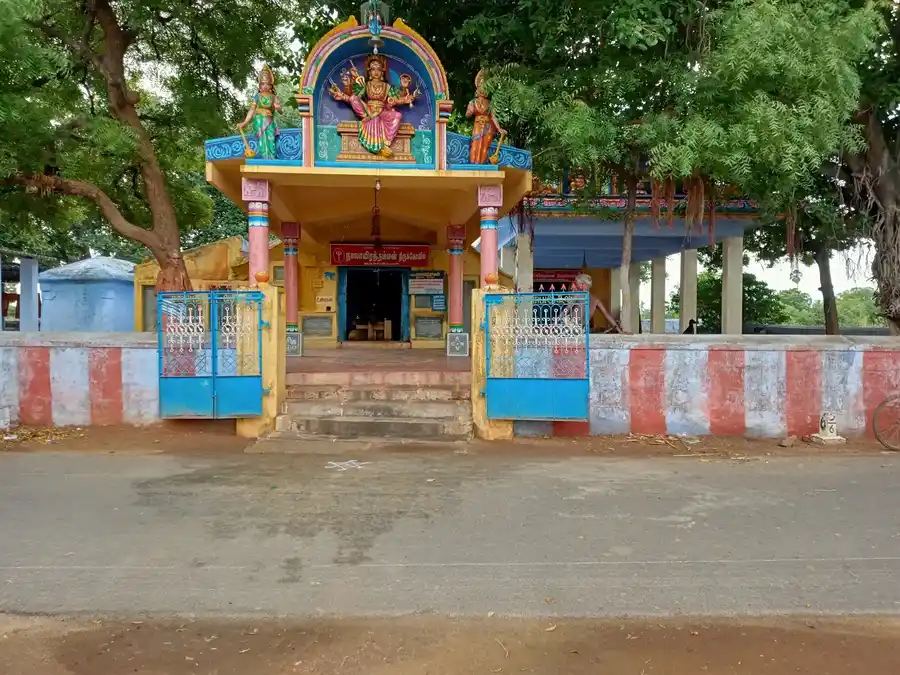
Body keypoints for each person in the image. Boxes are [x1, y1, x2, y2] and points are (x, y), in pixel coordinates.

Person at [329, 55, 419, 158]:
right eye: (373, 69)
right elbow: (353, 96)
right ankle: (367, 120)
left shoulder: (387, 86)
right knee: (354, 99)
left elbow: (395, 100)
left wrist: (405, 91)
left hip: (382, 111)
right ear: (369, 72)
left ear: (382, 72)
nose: (376, 72)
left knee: (397, 115)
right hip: (367, 111)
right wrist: (348, 85)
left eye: (378, 69)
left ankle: (386, 144)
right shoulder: (366, 85)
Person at [236, 65, 282, 160]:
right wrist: (244, 122)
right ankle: (264, 158)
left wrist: (278, 108)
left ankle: (271, 158)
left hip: (269, 122)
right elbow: (252, 110)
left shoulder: (274, 97)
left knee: (270, 139)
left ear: (271, 85)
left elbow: (280, 111)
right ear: (260, 85)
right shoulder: (257, 97)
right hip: (259, 121)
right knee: (262, 141)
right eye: (263, 83)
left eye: (267, 84)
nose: (265, 86)